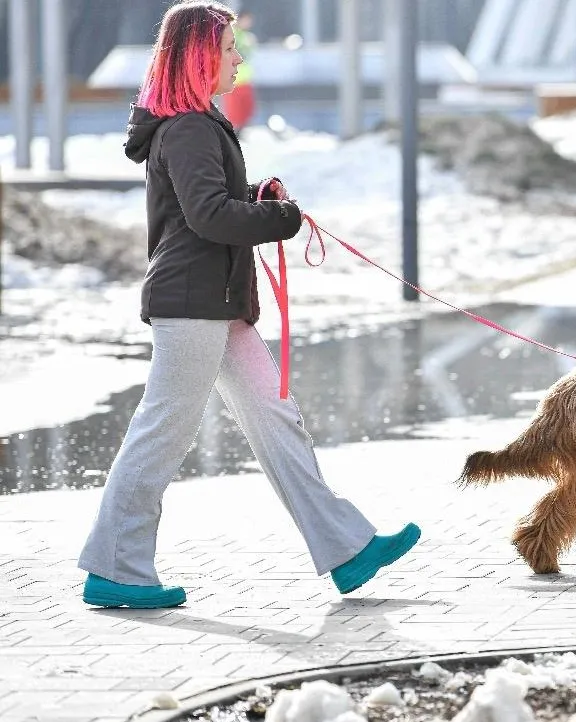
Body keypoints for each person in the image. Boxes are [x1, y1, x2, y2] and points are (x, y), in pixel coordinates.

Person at [77, 1, 420, 610]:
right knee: (163, 430)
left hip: (219, 302)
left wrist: (254, 198)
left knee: (275, 416)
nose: (239, 58)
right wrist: (277, 217)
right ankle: (116, 567)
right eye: (232, 48)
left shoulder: (196, 123)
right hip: (193, 303)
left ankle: (345, 547)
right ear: (203, 55)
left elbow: (206, 202)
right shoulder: (186, 127)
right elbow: (209, 216)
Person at [221, 10, 256, 131]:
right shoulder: (232, 34)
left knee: (247, 110)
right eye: (246, 20)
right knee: (235, 112)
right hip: (233, 80)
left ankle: (240, 131)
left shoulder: (248, 37)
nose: (248, 23)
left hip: (245, 79)